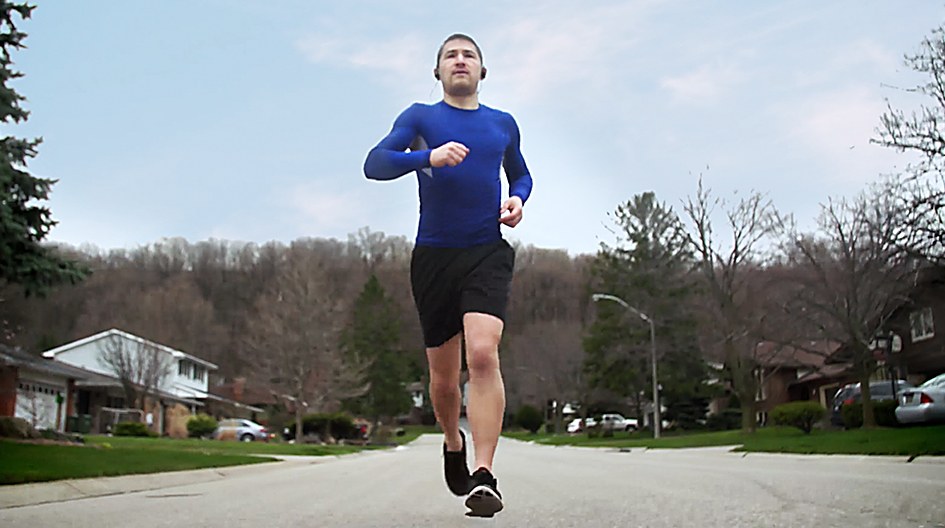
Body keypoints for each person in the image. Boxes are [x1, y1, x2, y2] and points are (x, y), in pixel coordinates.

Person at [363, 33, 532, 518]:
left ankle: (484, 474)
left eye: (469, 55)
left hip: (486, 251)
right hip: (434, 257)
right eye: (450, 56)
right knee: (442, 379)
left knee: (482, 353)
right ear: (438, 72)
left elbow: (520, 173)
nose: (460, 61)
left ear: (482, 71)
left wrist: (518, 199)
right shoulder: (420, 118)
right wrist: (426, 157)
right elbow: (374, 165)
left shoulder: (502, 124)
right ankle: (451, 438)